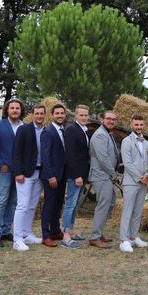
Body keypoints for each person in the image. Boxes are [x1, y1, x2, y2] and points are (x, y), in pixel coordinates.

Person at [0, 99, 24, 248]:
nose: (15, 110)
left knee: (13, 202)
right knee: (2, 201)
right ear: (7, 110)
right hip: (5, 170)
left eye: (17, 108)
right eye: (12, 108)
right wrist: (0, 164)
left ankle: (5, 230)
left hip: (20, 171)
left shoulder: (25, 127)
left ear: (21, 110)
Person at [11, 104, 46, 252]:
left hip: (40, 173)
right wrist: (18, 172)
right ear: (32, 115)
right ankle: (17, 239)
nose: (39, 116)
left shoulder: (46, 131)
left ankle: (26, 233)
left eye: (41, 114)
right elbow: (16, 152)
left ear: (45, 115)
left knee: (32, 205)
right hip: (25, 174)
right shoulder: (24, 129)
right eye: (36, 113)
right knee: (23, 205)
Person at [119, 114, 148, 253]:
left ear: (143, 125)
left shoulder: (146, 143)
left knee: (138, 211)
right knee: (128, 211)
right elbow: (127, 163)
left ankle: (134, 236)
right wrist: (140, 177)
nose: (139, 127)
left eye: (141, 125)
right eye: (136, 124)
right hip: (131, 182)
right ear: (131, 125)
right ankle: (123, 240)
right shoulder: (126, 141)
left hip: (143, 182)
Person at [88, 111, 120, 249]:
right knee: (103, 205)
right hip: (101, 176)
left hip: (106, 176)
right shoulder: (100, 135)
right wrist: (113, 175)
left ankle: (99, 233)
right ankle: (95, 237)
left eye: (114, 119)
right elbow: (103, 159)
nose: (111, 121)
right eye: (108, 118)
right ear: (102, 119)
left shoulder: (107, 133)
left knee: (111, 203)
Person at [61, 104, 90, 249]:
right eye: (81, 115)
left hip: (83, 174)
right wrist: (77, 175)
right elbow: (70, 155)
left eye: (86, 115)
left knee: (75, 205)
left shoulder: (83, 130)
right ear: (76, 116)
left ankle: (71, 230)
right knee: (70, 204)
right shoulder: (72, 130)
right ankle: (65, 235)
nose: (84, 117)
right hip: (75, 175)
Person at [39, 104, 67, 248]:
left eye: (62, 113)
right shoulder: (48, 132)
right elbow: (45, 155)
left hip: (62, 175)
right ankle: (46, 235)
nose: (60, 115)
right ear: (52, 115)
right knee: (49, 205)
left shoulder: (64, 131)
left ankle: (56, 230)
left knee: (57, 205)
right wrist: (50, 175)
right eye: (57, 113)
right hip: (51, 176)